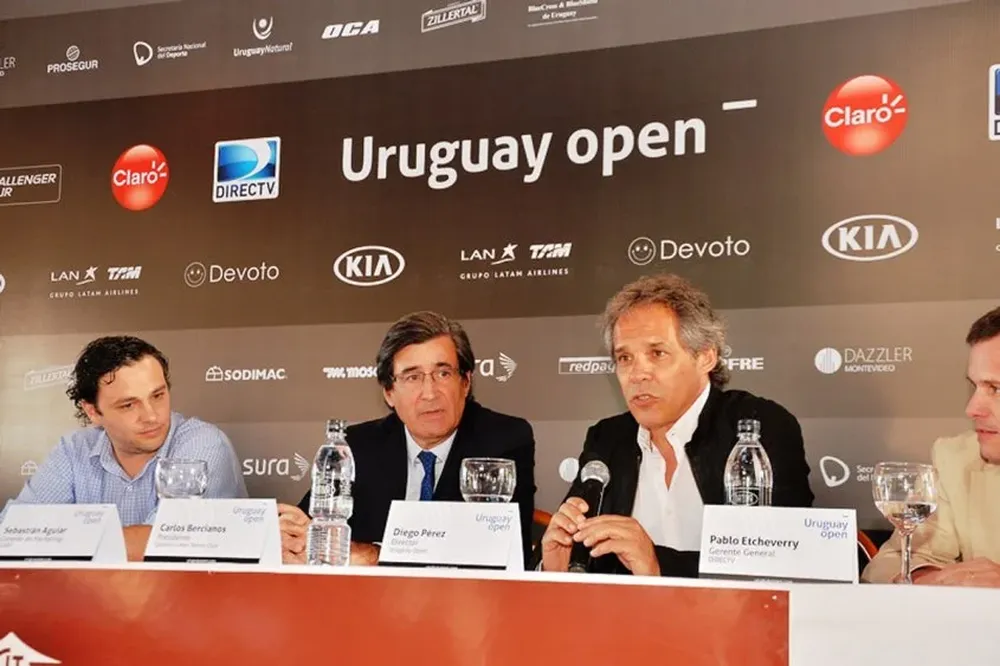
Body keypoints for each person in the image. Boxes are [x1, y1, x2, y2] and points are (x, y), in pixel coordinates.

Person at [539, 274, 814, 576]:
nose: (637, 373)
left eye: (657, 353)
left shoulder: (757, 428)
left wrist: (657, 565)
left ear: (705, 357)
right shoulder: (607, 439)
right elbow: (579, 557)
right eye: (625, 357)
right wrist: (555, 568)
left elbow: (785, 563)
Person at [278, 311, 536, 566]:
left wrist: (372, 556)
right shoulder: (358, 446)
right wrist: (294, 538)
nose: (430, 392)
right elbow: (312, 528)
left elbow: (494, 549)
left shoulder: (504, 439)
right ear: (389, 393)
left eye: (443, 373)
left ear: (465, 382)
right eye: (412, 377)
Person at [1, 336, 246, 560]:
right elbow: (14, 534)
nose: (151, 416)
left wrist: (61, 540)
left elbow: (166, 541)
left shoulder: (202, 443)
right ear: (93, 412)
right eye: (129, 405)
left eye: (158, 396)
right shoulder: (74, 449)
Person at [862, 307, 1000, 587]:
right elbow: (891, 561)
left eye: (996, 389)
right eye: (974, 386)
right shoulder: (957, 459)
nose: (972, 408)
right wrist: (929, 581)